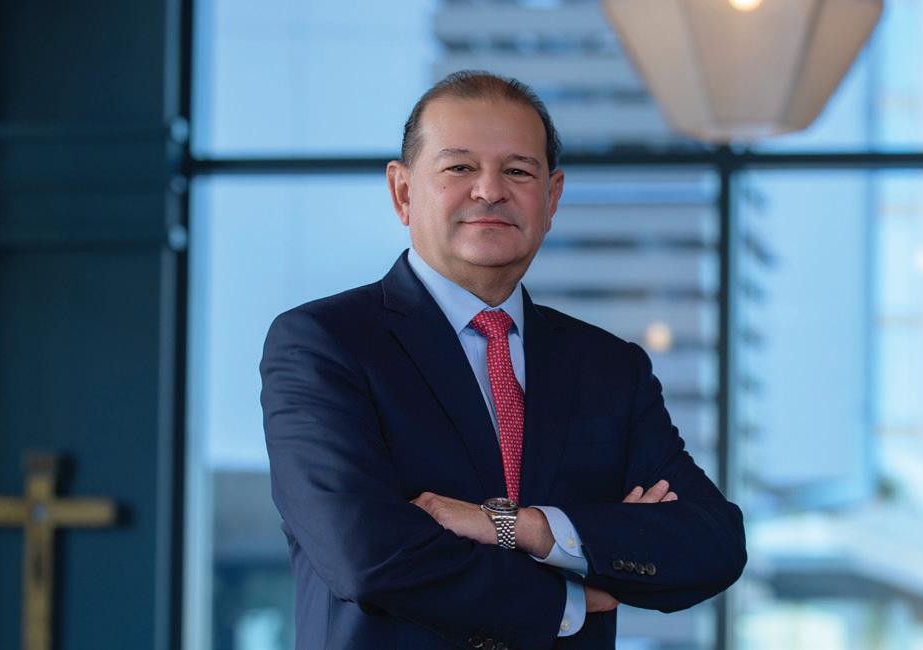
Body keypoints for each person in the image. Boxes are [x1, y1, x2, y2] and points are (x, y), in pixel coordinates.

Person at [260, 70, 747, 649]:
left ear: (552, 197)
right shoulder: (324, 344)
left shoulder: (608, 367)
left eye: (518, 171)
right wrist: (570, 597)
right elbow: (366, 556)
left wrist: (525, 528)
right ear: (403, 192)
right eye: (459, 168)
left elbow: (713, 542)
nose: (489, 190)